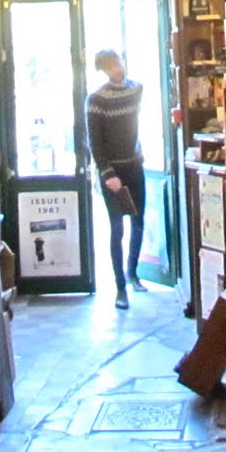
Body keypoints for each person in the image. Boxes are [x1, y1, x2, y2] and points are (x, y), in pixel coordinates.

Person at [86, 48, 147, 310]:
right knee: (116, 228)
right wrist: (107, 173)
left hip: (135, 166)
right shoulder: (96, 100)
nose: (117, 69)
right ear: (103, 70)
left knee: (138, 220)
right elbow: (95, 142)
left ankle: (133, 272)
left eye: (118, 62)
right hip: (112, 172)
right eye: (110, 66)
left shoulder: (137, 90)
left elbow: (133, 127)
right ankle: (120, 287)